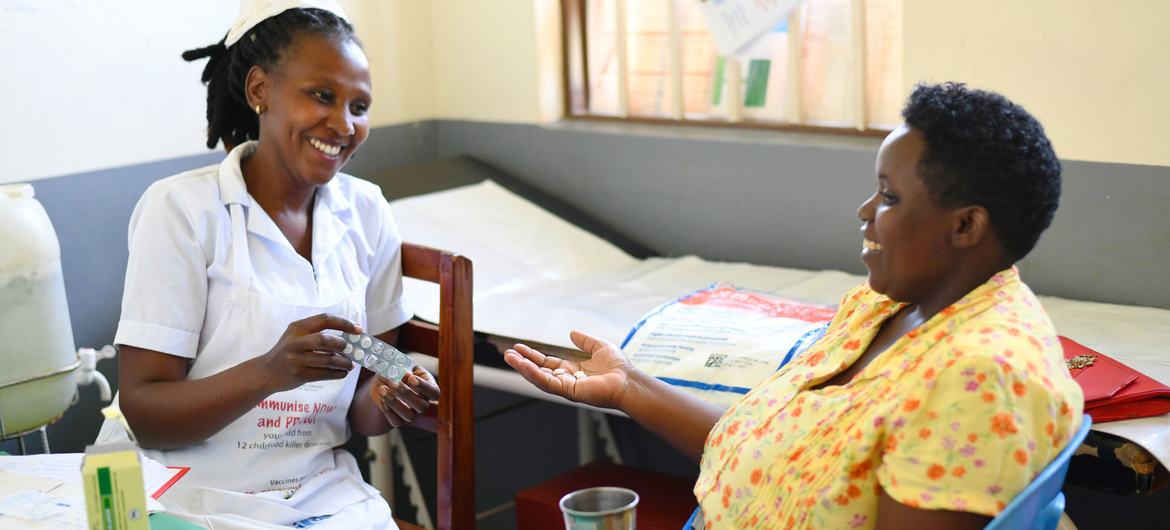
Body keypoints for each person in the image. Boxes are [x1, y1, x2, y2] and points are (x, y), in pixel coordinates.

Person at [504, 83, 1085, 530]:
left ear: (965, 225)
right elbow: (768, 448)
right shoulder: (883, 308)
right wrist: (628, 385)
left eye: (888, 196)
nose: (864, 212)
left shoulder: (977, 380)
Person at [95, 2, 436, 528]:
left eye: (360, 106)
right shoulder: (184, 211)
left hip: (317, 494)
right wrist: (271, 372)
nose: (343, 123)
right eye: (322, 95)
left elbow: (364, 408)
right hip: (182, 491)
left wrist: (391, 396)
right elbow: (146, 414)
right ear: (260, 90)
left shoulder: (367, 213)